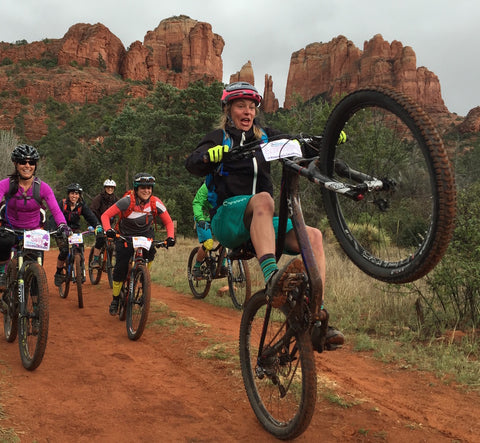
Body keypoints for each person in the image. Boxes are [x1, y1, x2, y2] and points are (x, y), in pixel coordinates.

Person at [185, 81, 344, 351]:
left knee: (313, 236)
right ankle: (272, 278)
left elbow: (298, 145)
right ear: (228, 109)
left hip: (262, 220)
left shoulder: (266, 137)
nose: (247, 112)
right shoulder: (219, 136)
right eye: (240, 106)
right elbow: (193, 162)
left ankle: (316, 316)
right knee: (264, 199)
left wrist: (326, 140)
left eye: (251, 107)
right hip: (227, 218)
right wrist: (209, 157)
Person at [101, 173, 176, 315]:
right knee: (120, 267)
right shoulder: (127, 201)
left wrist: (170, 237)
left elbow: (168, 221)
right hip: (125, 235)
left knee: (151, 252)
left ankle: (143, 275)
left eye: (149, 188)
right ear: (136, 188)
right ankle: (116, 298)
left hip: (145, 235)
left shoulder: (155, 203)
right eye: (143, 187)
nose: (146, 190)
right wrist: (108, 230)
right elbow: (105, 215)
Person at [0, 144, 71, 290]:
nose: (27, 166)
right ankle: (2, 272)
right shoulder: (6, 184)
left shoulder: (43, 188)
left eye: (31, 162)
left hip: (34, 232)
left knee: (36, 276)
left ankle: (38, 304)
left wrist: (63, 225)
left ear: (35, 165)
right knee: (3, 241)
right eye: (23, 162)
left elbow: (56, 211)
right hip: (11, 228)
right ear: (15, 163)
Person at [53, 182, 102, 287]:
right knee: (64, 251)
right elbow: (54, 216)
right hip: (62, 230)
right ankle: (58, 272)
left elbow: (90, 216)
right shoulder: (62, 204)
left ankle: (80, 269)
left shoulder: (81, 205)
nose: (74, 196)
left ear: (79, 195)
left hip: (75, 230)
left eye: (76, 194)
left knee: (79, 248)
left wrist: (97, 225)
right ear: (68, 194)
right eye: (72, 193)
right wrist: (53, 229)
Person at [89, 178, 119, 268]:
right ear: (105, 188)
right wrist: (94, 223)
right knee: (100, 239)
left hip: (111, 223)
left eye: (112, 188)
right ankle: (95, 260)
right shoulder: (99, 198)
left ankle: (110, 262)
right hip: (99, 223)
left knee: (116, 240)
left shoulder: (116, 199)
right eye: (108, 187)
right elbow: (92, 210)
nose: (110, 189)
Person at [191, 182, 218, 278]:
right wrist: (200, 219)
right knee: (208, 243)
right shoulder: (206, 186)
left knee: (226, 241)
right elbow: (197, 203)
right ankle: (196, 267)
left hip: (216, 217)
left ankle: (222, 266)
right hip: (203, 218)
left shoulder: (227, 185)